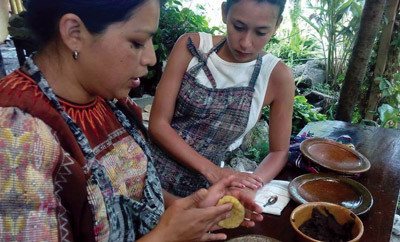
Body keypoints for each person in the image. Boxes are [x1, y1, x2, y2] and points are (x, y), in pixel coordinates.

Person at [0, 0, 263, 241]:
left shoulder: (107, 99)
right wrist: (166, 236)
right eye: (137, 42)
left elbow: (127, 191)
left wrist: (189, 210)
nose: (151, 58)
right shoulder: (17, 136)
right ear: (74, 33)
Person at [149, 0, 295, 198]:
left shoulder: (277, 77)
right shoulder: (192, 47)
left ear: (277, 25)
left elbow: (279, 151)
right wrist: (213, 171)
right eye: (238, 27)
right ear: (225, 12)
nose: (245, 42)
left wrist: (250, 186)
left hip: (206, 191)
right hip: (148, 172)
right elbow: (158, 124)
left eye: (261, 32)